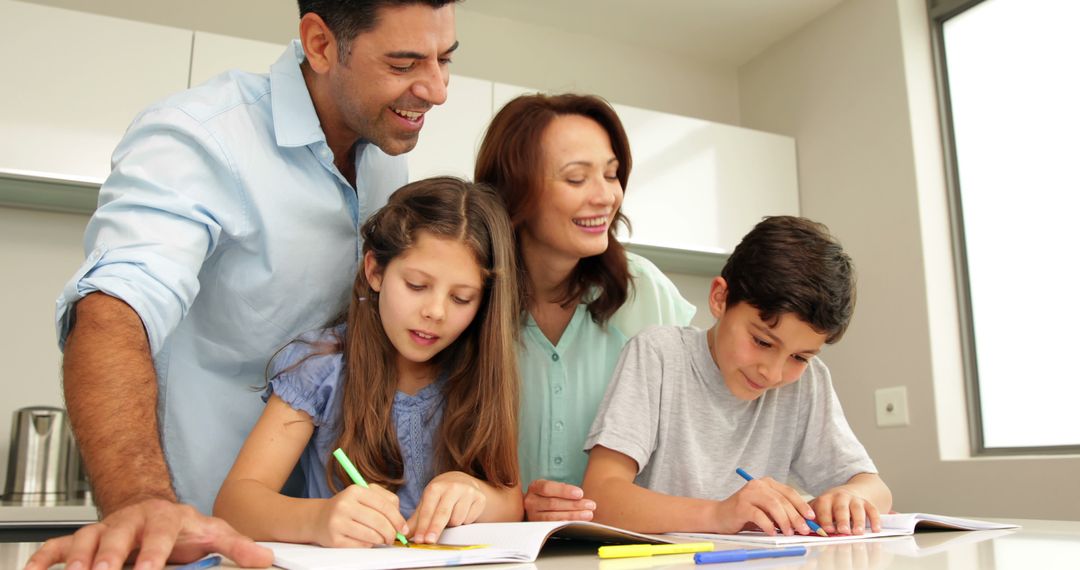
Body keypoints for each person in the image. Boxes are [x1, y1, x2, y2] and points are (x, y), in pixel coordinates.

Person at [29, 1, 459, 569]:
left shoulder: (384, 159)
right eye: (404, 64)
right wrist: (141, 502)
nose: (436, 89)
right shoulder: (202, 138)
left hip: (322, 548)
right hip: (194, 540)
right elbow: (113, 310)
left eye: (444, 60)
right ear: (321, 44)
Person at [213, 177, 523, 546]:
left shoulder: (475, 372)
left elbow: (511, 503)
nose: (435, 312)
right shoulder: (321, 368)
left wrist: (475, 493)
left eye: (461, 298)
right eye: (417, 286)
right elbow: (234, 505)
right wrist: (317, 520)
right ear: (375, 271)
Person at [581, 216, 893, 536]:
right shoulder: (657, 355)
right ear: (720, 298)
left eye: (799, 357)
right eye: (762, 341)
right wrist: (719, 514)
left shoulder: (807, 382)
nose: (772, 373)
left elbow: (875, 488)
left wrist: (850, 498)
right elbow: (601, 495)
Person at [474, 93, 696, 522]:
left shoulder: (645, 291)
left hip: (627, 546)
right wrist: (515, 508)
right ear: (515, 190)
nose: (605, 196)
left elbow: (695, 426)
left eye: (612, 175)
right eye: (576, 179)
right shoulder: (469, 296)